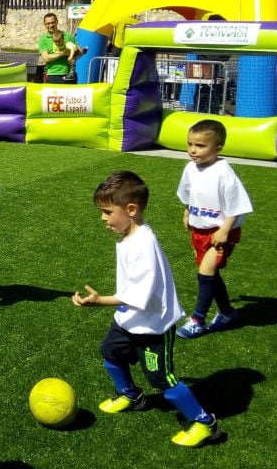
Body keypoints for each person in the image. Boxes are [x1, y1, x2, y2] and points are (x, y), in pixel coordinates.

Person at [73, 170, 220, 447]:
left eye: (106, 212)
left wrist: (100, 301)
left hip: (153, 326)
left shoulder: (144, 245)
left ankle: (205, 423)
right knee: (110, 352)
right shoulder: (129, 237)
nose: (102, 218)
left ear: (130, 209)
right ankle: (131, 394)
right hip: (129, 320)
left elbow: (140, 293)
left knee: (162, 379)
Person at [175, 119, 253, 339]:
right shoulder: (190, 168)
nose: (192, 150)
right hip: (199, 230)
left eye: (200, 146)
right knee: (210, 274)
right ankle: (227, 313)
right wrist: (187, 211)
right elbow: (188, 193)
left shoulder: (224, 172)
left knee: (206, 272)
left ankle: (197, 320)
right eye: (190, 144)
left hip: (220, 232)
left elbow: (236, 206)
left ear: (217, 148)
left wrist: (225, 230)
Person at [39, 13, 79, 84]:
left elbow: (79, 52)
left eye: (52, 22)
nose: (50, 25)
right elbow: (46, 58)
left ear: (57, 22)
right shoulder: (43, 39)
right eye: (47, 23)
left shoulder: (68, 36)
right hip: (52, 75)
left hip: (69, 74)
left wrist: (72, 56)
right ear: (45, 24)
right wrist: (63, 53)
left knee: (69, 95)